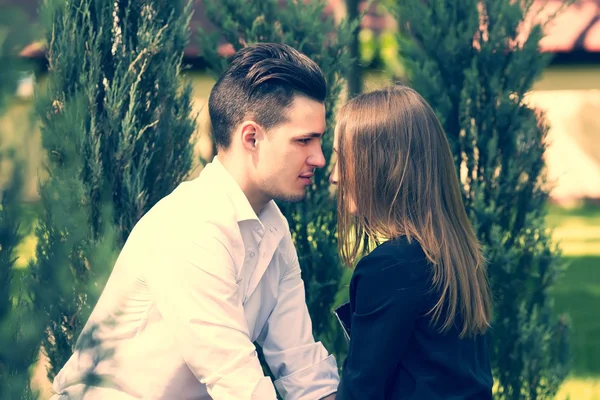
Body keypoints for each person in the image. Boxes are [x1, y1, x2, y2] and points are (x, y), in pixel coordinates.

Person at [50, 43, 339, 400]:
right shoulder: (191, 226)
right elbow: (237, 382)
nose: (320, 158)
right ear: (251, 138)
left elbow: (301, 366)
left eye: (319, 140)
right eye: (304, 141)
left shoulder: (273, 229)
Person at [329, 85, 494, 399]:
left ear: (381, 165)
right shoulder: (454, 253)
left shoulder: (389, 267)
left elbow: (361, 391)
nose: (335, 177)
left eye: (344, 160)